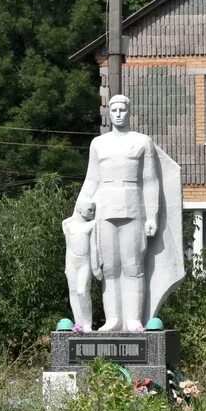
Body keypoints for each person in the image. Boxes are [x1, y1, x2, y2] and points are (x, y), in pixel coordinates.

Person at [75, 94, 160, 331]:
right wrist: (82, 202)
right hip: (105, 209)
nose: (118, 114)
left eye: (122, 110)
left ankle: (133, 319)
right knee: (109, 268)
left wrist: (152, 216)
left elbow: (151, 181)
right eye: (114, 110)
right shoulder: (98, 144)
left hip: (133, 208)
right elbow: (91, 179)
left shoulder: (142, 141)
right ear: (109, 113)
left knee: (133, 267)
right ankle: (113, 319)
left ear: (129, 112)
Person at [62, 200, 99, 330]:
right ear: (79, 209)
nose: (93, 213)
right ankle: (79, 323)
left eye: (93, 210)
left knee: (82, 291)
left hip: (85, 263)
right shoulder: (67, 224)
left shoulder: (92, 225)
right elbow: (68, 247)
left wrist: (95, 267)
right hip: (72, 262)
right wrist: (67, 266)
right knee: (73, 292)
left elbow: (94, 248)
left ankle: (88, 323)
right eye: (90, 209)